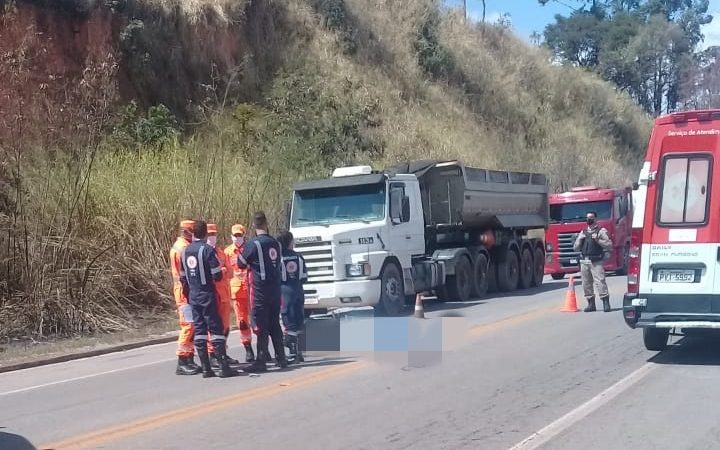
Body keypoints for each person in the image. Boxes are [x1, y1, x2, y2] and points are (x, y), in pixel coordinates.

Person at [237, 212, 288, 373]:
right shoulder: (276, 243)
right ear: (266, 224)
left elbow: (240, 263)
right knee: (275, 323)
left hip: (259, 290)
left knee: (261, 325)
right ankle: (281, 358)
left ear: (254, 225)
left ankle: (261, 360)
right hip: (275, 289)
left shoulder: (253, 244)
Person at [206, 223, 240, 366]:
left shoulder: (220, 252)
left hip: (225, 294)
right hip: (214, 295)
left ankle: (223, 353)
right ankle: (213, 354)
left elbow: (229, 272)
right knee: (213, 327)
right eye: (209, 235)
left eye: (214, 234)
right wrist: (222, 271)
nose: (212, 237)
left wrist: (222, 271)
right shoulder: (205, 253)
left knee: (225, 327)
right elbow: (212, 275)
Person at [169, 219, 201, 376]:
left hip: (185, 291)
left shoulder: (182, 246)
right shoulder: (182, 248)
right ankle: (182, 361)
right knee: (188, 325)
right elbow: (185, 275)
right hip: (183, 292)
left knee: (192, 325)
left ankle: (189, 358)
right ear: (187, 232)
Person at [224, 224, 255, 363]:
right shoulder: (227, 252)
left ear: (244, 236)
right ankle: (248, 350)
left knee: (257, 321)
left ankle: (263, 349)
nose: (237, 238)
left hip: (251, 290)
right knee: (242, 322)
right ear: (231, 236)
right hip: (237, 292)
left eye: (239, 236)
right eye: (235, 236)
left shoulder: (250, 249)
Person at [277, 231, 307, 364]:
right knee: (299, 319)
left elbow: (278, 277)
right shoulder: (299, 257)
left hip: (285, 291)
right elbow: (304, 277)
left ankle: (293, 353)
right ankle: (299, 352)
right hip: (298, 290)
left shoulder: (280, 258)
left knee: (289, 321)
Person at [574, 211, 613, 312]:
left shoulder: (601, 231)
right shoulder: (583, 232)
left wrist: (598, 240)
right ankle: (591, 304)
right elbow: (576, 248)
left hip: (596, 261)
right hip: (584, 260)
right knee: (586, 283)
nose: (589, 220)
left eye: (591, 218)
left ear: (596, 219)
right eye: (587, 218)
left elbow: (609, 245)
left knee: (600, 281)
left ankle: (605, 302)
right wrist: (579, 240)